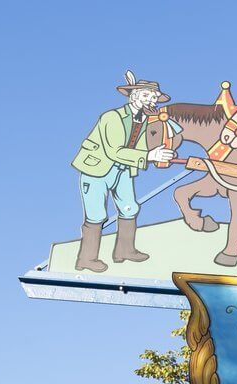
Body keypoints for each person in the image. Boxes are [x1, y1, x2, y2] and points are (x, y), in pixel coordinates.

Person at [70, 71, 176, 272]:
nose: (151, 100)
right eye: (146, 95)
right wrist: (149, 156)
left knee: (130, 208)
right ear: (133, 96)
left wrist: (156, 155)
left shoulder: (145, 120)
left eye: (154, 97)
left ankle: (125, 251)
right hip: (97, 169)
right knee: (96, 215)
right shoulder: (112, 117)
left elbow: (142, 146)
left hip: (124, 169)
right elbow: (114, 150)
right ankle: (86, 259)